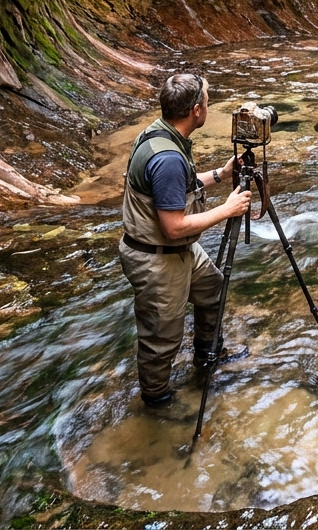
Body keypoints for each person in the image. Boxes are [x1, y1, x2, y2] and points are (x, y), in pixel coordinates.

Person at [119, 73, 251, 409]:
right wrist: (227, 209)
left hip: (177, 252)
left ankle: (208, 357)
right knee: (161, 340)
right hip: (158, 257)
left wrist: (221, 174)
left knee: (212, 289)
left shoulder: (161, 134)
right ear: (196, 110)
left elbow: (180, 188)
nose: (209, 103)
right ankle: (157, 403)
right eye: (207, 99)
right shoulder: (167, 159)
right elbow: (174, 226)